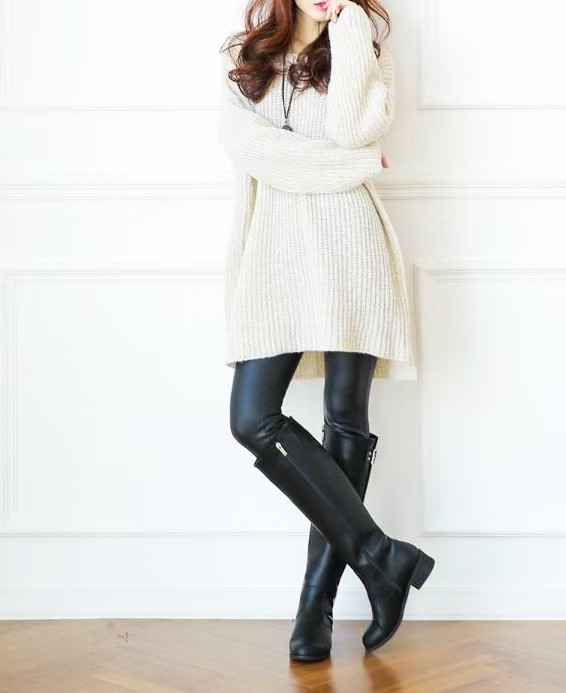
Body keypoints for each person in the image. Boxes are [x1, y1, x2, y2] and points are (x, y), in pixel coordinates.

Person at [218, 0, 435, 660]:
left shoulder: (365, 54)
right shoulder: (248, 58)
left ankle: (315, 606)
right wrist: (355, 166)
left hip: (352, 252)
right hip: (275, 259)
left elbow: (353, 130)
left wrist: (351, 33)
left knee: (345, 423)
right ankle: (379, 555)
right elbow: (255, 152)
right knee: (251, 418)